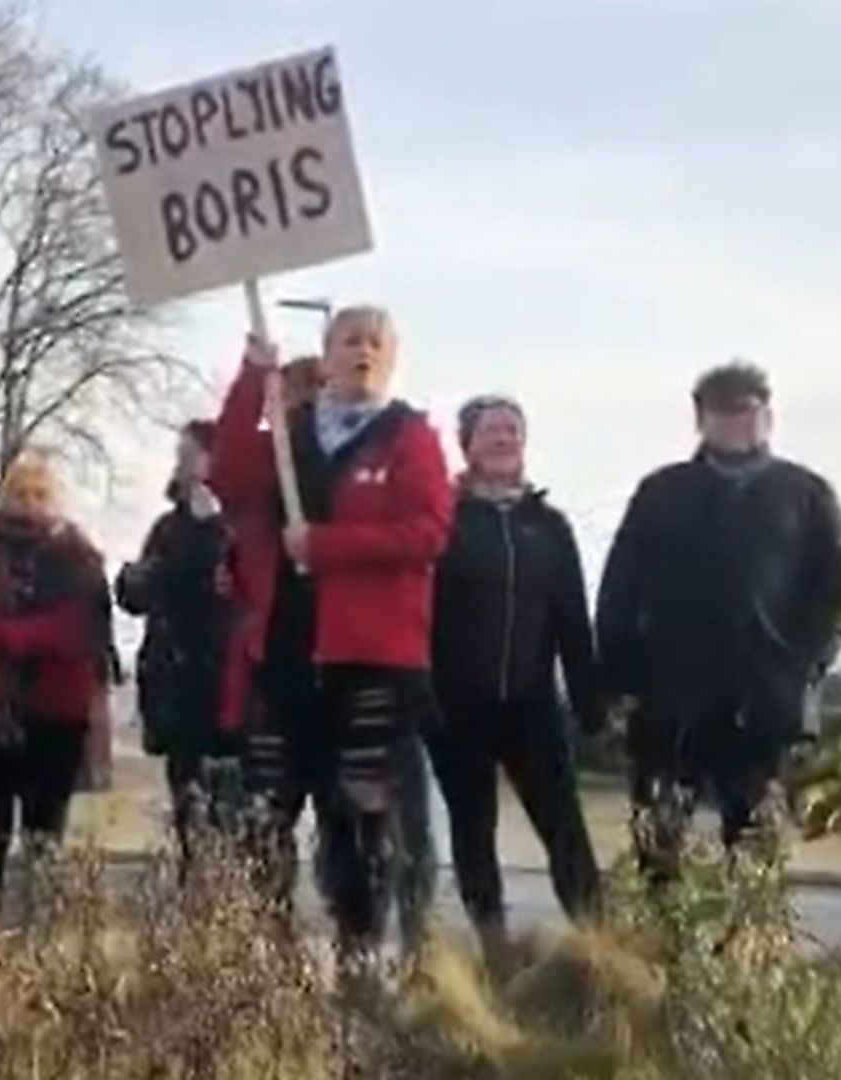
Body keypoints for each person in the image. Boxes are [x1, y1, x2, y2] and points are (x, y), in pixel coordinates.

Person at [211, 307, 453, 963]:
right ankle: (264, 956)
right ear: (327, 355)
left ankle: (360, 951)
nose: (363, 353)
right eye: (351, 341)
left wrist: (326, 546)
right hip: (287, 653)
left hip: (370, 659)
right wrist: (250, 379)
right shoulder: (291, 437)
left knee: (359, 816)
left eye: (377, 343)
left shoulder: (409, 438)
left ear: (392, 358)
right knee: (266, 812)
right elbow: (229, 471)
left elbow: (428, 532)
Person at [598, 361, 841, 883]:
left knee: (756, 856)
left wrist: (804, 667)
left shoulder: (806, 494)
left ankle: (747, 959)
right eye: (725, 410)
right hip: (672, 703)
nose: (739, 420)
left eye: (749, 408)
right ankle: (662, 956)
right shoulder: (661, 493)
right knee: (659, 847)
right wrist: (621, 683)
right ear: (701, 418)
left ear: (769, 415)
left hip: (765, 703)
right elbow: (618, 594)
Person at [429, 394, 603, 944]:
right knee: (474, 828)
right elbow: (419, 612)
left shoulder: (548, 526)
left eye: (513, 430)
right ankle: (494, 947)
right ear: (468, 445)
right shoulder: (444, 520)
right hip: (458, 704)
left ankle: (599, 942)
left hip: (533, 704)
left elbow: (573, 617)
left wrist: (588, 696)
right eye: (492, 431)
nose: (504, 439)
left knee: (564, 828)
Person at [0, 453, 111, 921]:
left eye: (41, 494)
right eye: (20, 493)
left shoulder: (79, 556)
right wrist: (23, 638)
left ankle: (42, 928)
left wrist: (17, 637)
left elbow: (85, 629)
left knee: (45, 831)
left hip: (56, 712)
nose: (30, 504)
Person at [116, 420, 242, 863]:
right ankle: (196, 894)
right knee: (187, 800)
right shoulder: (167, 527)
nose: (183, 463)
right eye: (181, 454)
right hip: (174, 677)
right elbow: (139, 594)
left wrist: (209, 530)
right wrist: (133, 581)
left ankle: (233, 900)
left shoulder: (236, 523)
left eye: (192, 453)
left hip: (222, 678)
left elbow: (222, 584)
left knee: (229, 807)